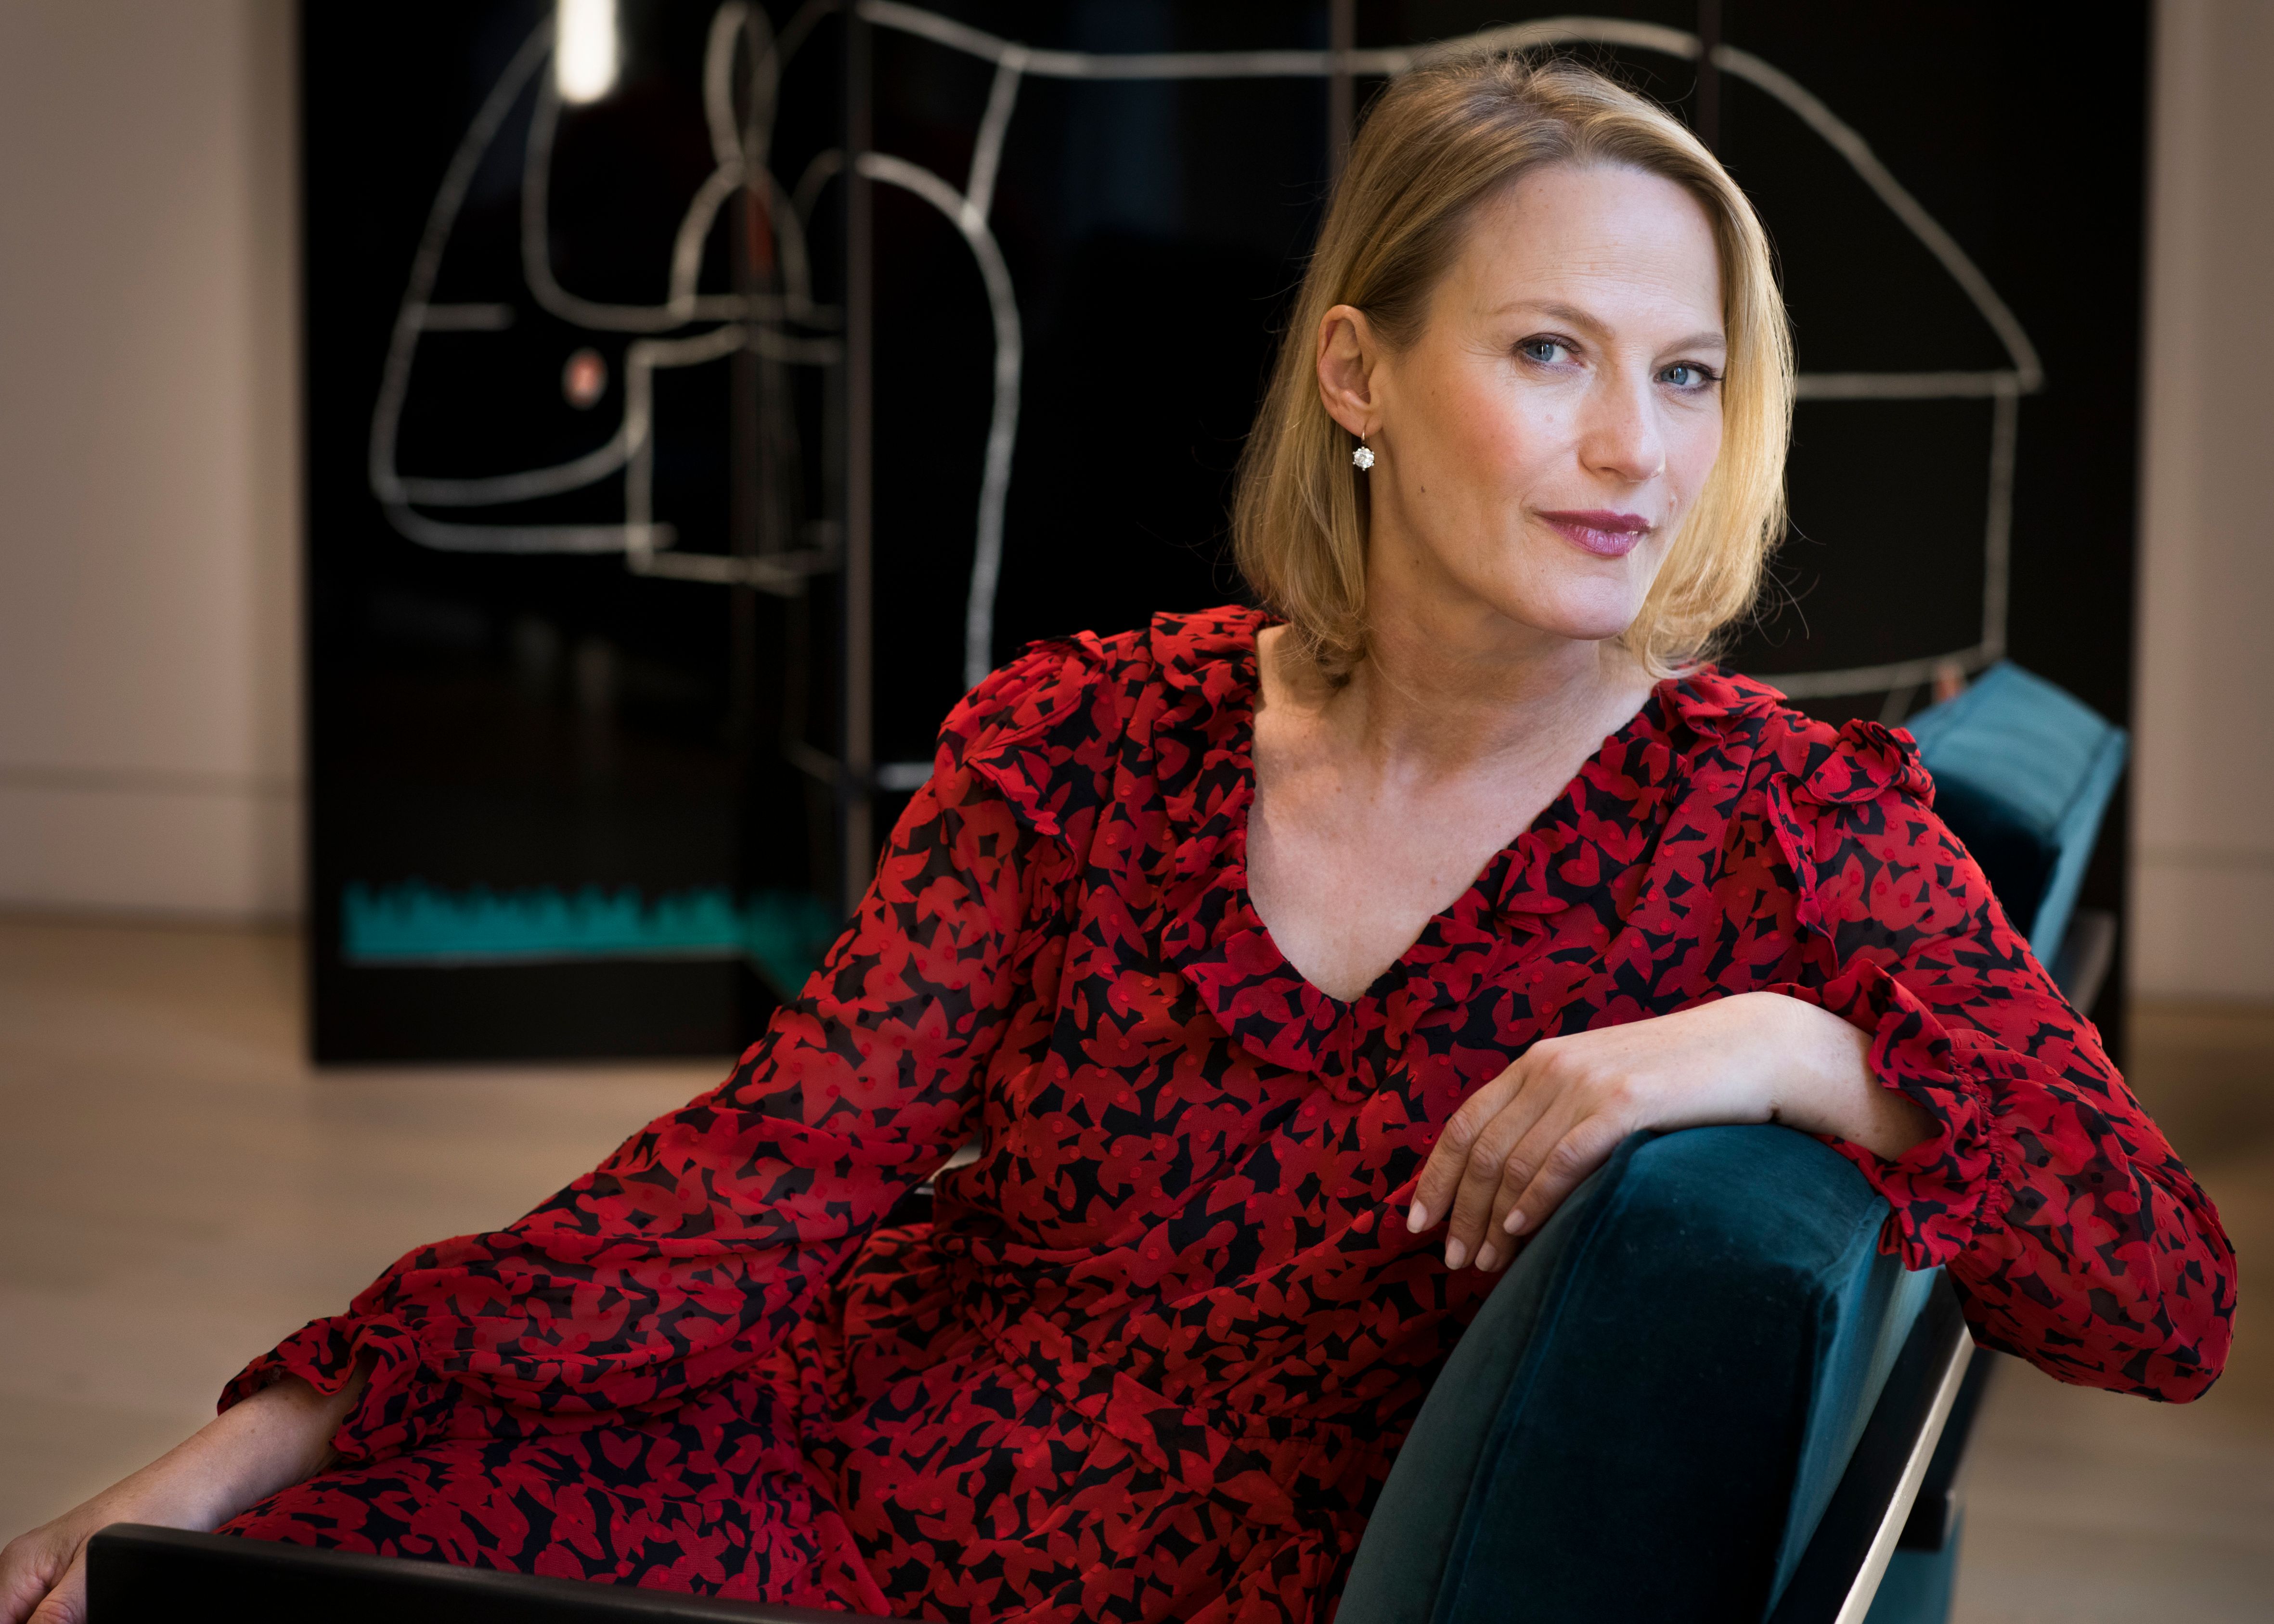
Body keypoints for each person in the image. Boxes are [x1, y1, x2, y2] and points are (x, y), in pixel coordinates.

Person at [2, 52, 2234, 1624]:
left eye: (1683, 374)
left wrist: (1782, 1049)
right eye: (1550, 351)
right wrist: (280, 1418)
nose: (1630, 451)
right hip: (836, 1468)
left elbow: (2160, 1292)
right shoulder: (1089, 734)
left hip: (1219, 1585)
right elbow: (768, 1175)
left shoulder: (1772, 825)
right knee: (260, 1572)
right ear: (1356, 376)